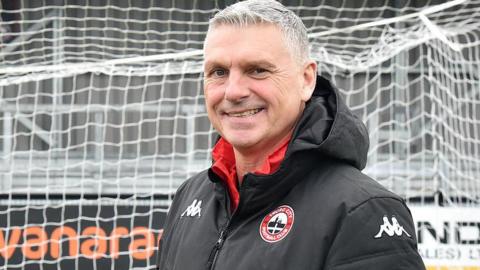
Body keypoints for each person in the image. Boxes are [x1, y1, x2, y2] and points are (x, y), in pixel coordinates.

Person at [157, 1, 426, 269]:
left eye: (257, 70)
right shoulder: (190, 196)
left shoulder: (362, 210)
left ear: (307, 80)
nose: (233, 91)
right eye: (219, 72)